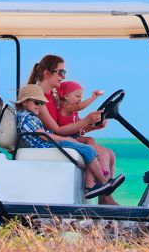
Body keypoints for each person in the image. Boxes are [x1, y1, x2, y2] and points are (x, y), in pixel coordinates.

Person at [27, 55, 120, 204]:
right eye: (60, 72)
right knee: (102, 153)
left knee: (110, 154)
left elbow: (68, 126)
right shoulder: (39, 98)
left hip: (62, 137)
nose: (63, 77)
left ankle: (103, 199)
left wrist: (91, 127)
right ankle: (101, 194)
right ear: (46, 73)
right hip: (50, 140)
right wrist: (87, 120)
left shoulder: (55, 96)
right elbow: (58, 130)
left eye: (64, 73)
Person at [13, 84, 122, 199]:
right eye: (36, 102)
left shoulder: (29, 116)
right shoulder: (26, 116)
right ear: (24, 102)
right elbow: (44, 136)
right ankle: (101, 183)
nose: (39, 106)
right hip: (47, 146)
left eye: (42, 103)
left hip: (48, 144)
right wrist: (66, 139)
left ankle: (98, 183)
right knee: (88, 149)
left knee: (88, 147)